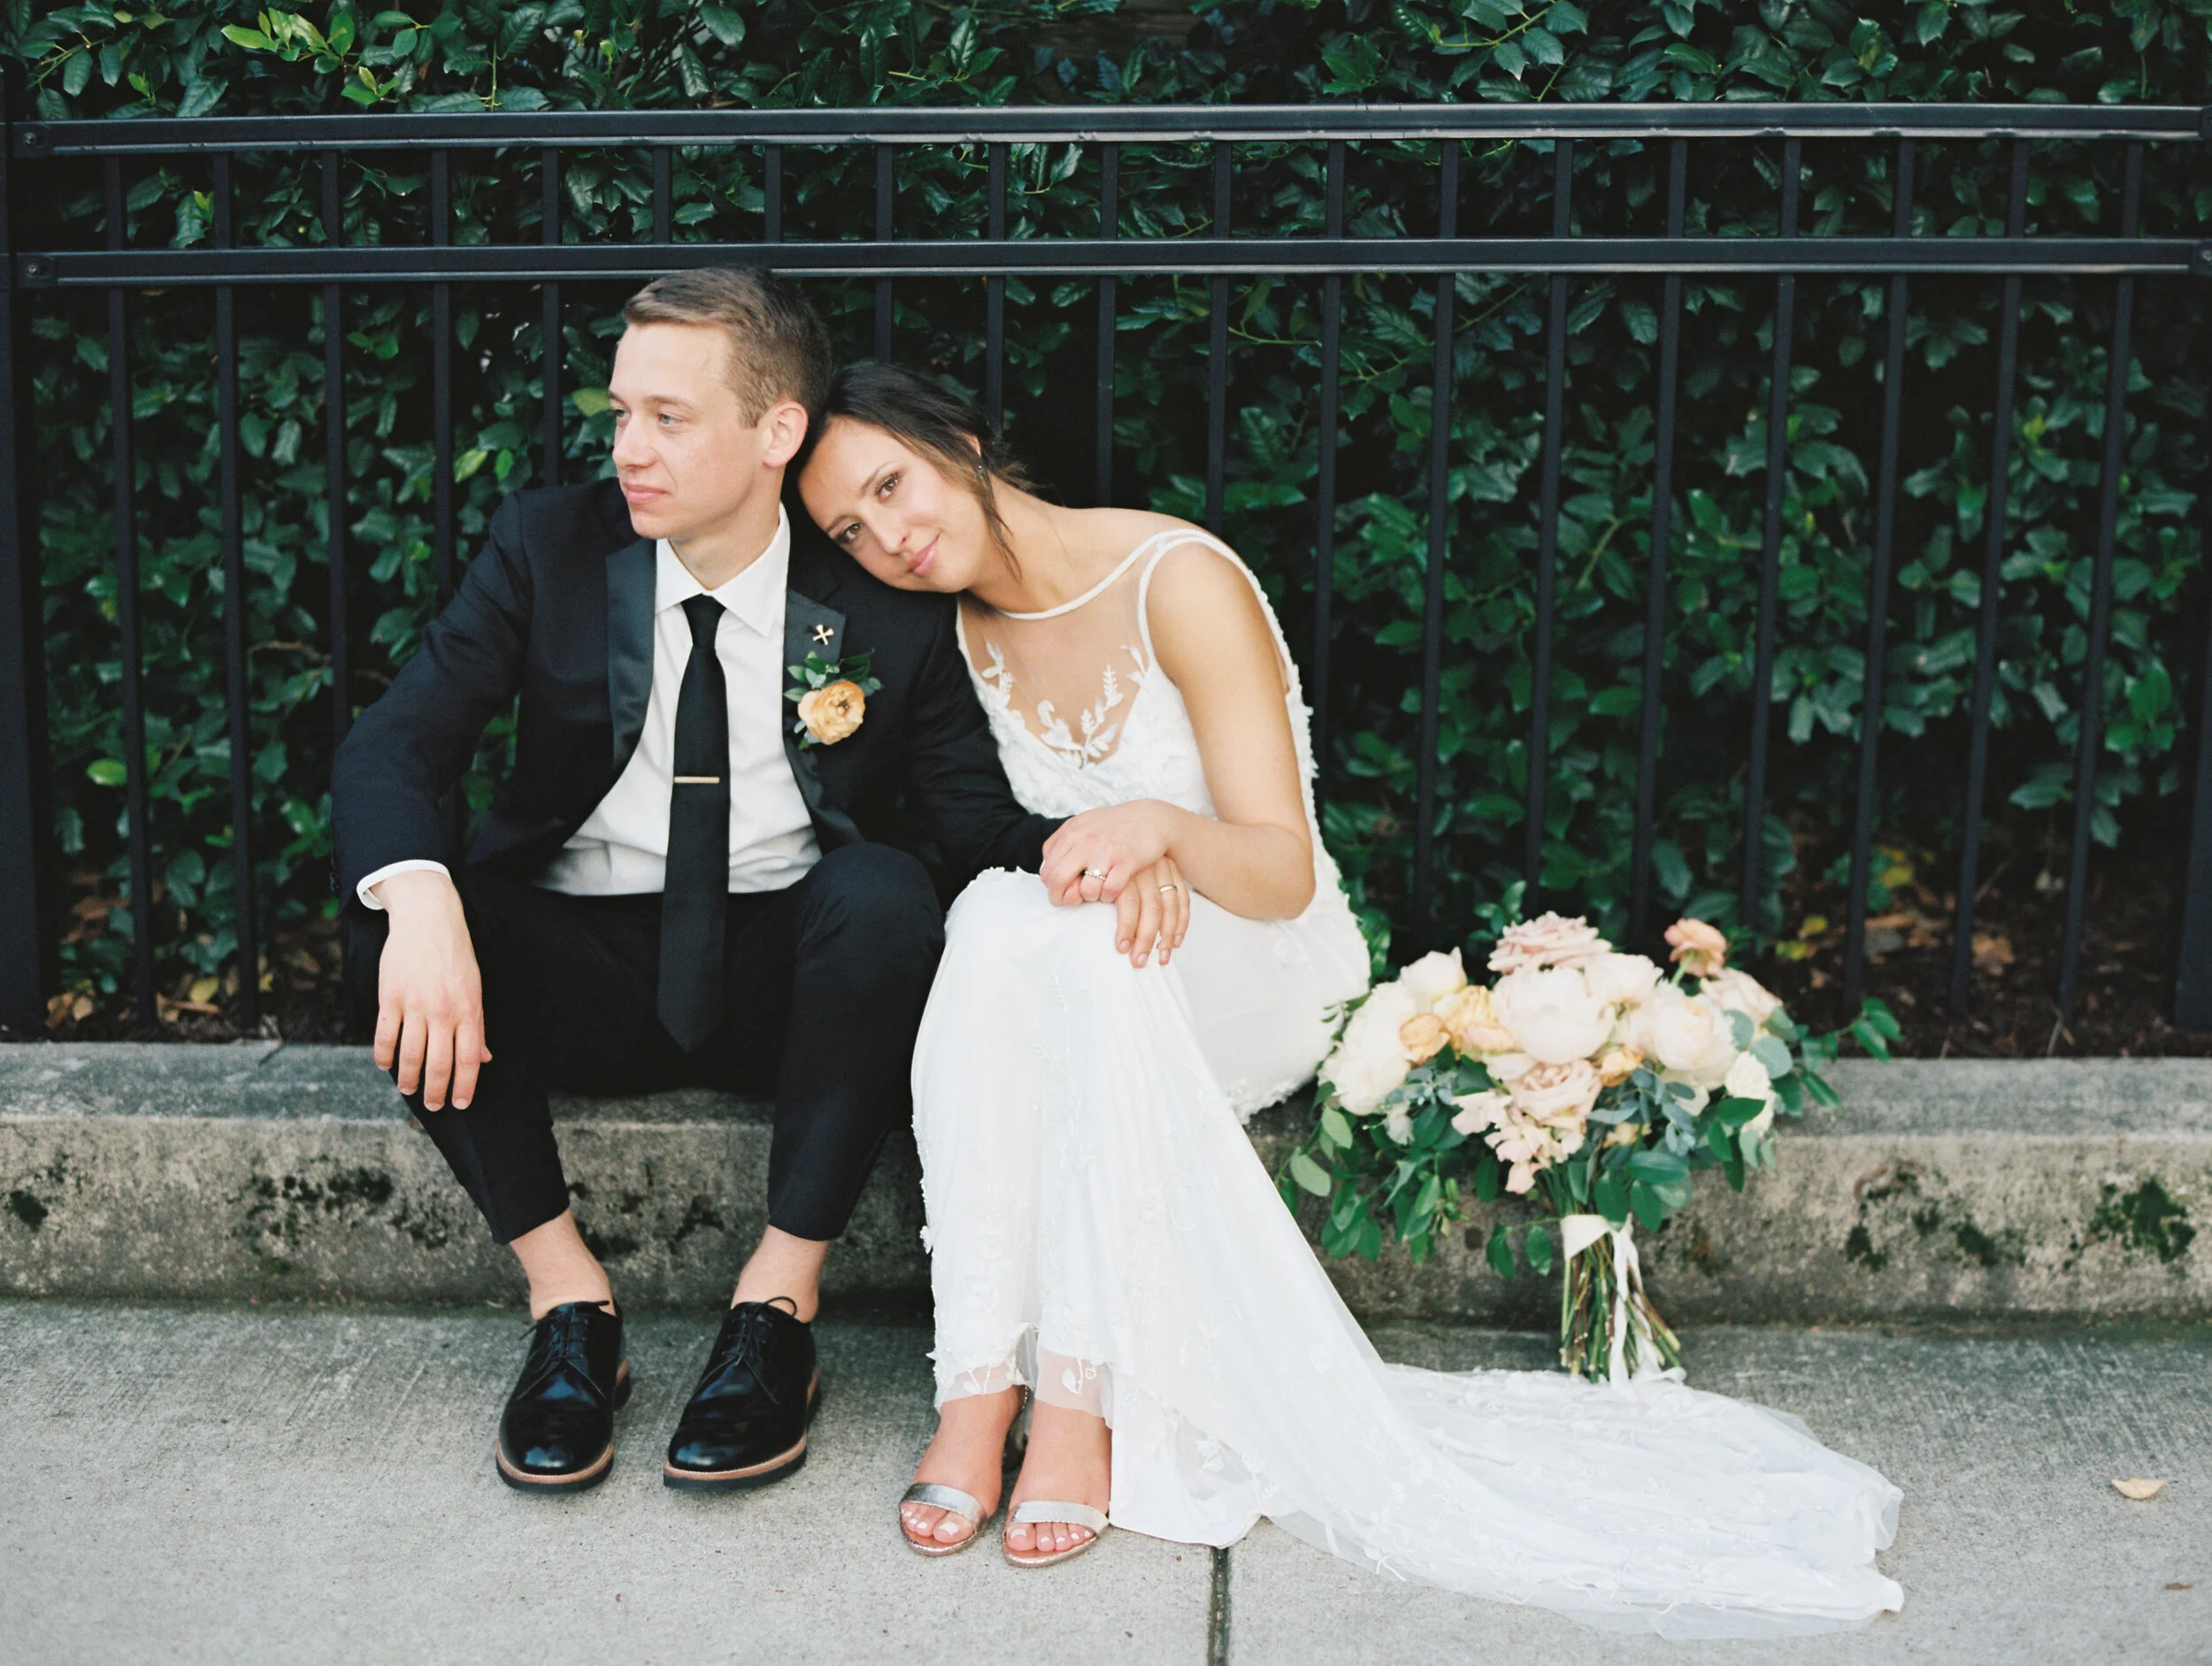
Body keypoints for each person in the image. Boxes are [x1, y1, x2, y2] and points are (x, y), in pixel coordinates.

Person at [794, 363, 1906, 1633]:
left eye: (892, 485)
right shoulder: (941, 639)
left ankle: (1081, 1397)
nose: (889, 537)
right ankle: (979, 1384)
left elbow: (1278, 869)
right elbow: (999, 844)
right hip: (1096, 940)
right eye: (849, 532)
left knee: (1071, 943)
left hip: (1257, 958)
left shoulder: (1175, 578)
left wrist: (1159, 828)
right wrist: (1111, 873)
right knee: (990, 915)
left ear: (960, 440)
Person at [331, 271, 1058, 1495]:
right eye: (620, 413)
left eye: (669, 417)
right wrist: (420, 898)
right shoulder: (547, 547)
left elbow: (975, 823)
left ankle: (775, 1311)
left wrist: (1118, 840)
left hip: (792, 990)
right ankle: (571, 1309)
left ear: (777, 431)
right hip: (584, 968)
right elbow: (395, 744)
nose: (629, 448)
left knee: (884, 891)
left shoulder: (881, 602)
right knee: (392, 921)